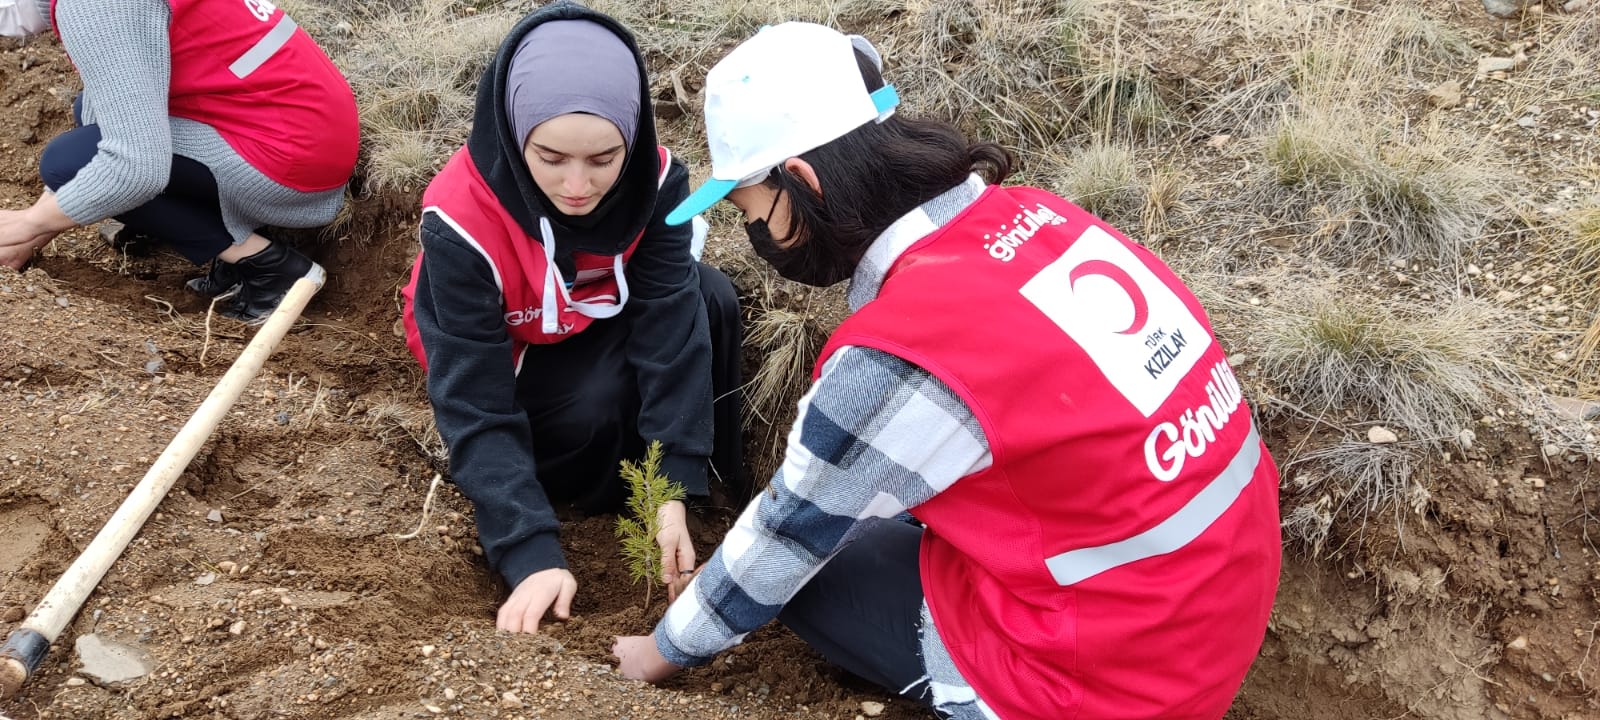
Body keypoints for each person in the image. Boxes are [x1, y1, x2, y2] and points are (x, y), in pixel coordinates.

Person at [611, 23, 1282, 720]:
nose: (759, 239)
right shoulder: (1045, 218)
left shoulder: (902, 352)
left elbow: (789, 533)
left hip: (1104, 681)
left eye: (754, 214)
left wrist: (661, 650)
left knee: (808, 566)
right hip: (1214, 610)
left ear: (803, 181)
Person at [400, 2, 742, 636]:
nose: (578, 186)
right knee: (596, 400)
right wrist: (526, 552)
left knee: (712, 298)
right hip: (513, 352)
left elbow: (670, 329)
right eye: (552, 159)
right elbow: (474, 401)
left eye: (604, 159)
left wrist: (671, 486)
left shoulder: (657, 182)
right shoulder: (458, 220)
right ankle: (585, 499)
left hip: (584, 323)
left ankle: (699, 492)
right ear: (514, 129)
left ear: (633, 138)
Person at [0, 0, 356, 323]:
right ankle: (230, 228)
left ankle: (269, 266)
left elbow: (136, 170)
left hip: (291, 163)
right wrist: (34, 236)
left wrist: (26, 225)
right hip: (312, 128)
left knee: (70, 160)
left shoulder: (96, 7)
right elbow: (103, 111)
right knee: (90, 119)